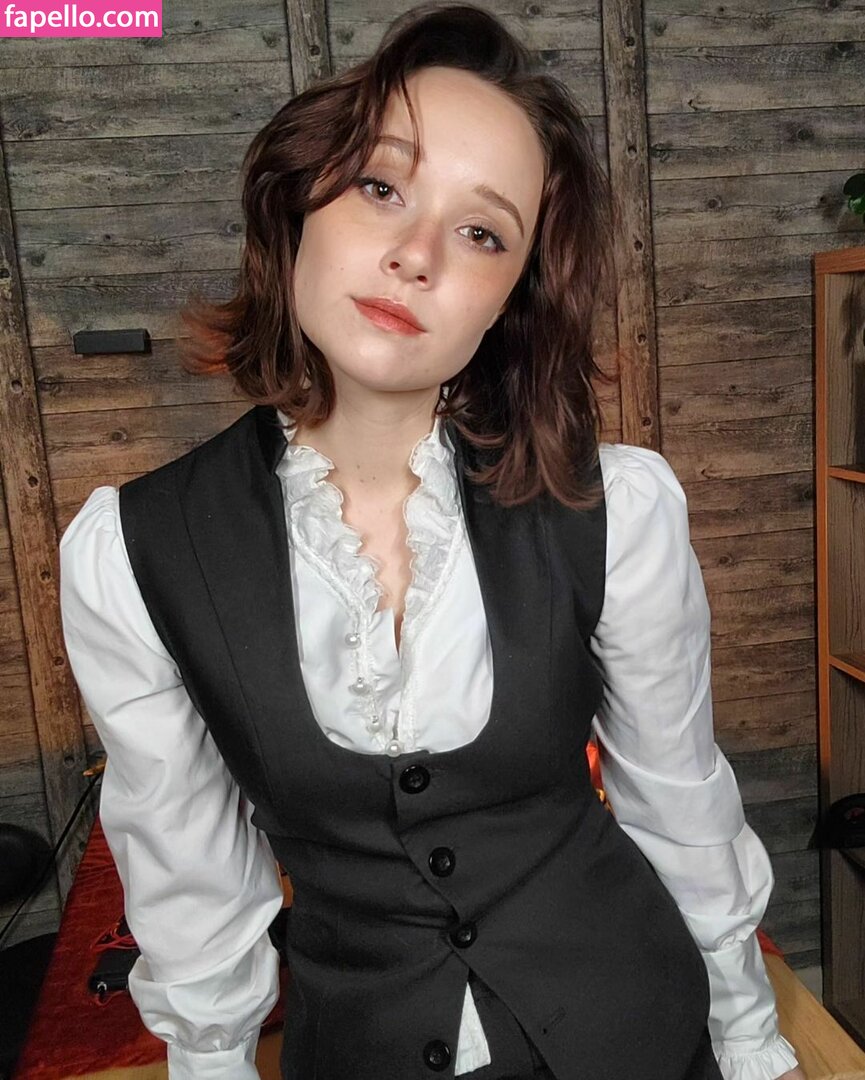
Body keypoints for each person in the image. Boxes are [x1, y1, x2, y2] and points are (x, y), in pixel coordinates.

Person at [58, 4, 807, 1079]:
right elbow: (189, 875)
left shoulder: (616, 508)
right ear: (299, 199)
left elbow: (675, 794)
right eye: (381, 186)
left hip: (631, 1029)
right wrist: (211, 1060)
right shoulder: (133, 553)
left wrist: (747, 1039)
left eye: (481, 232)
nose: (415, 256)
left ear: (510, 297)